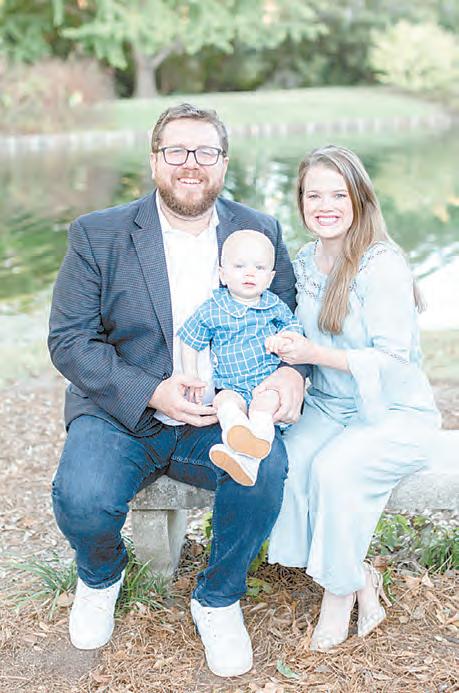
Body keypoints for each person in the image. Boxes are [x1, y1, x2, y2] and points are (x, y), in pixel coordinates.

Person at [48, 103, 306, 678]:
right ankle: (101, 576)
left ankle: (218, 598)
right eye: (177, 151)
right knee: (82, 501)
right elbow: (69, 341)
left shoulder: (258, 231)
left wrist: (293, 373)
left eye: (205, 151)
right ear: (155, 160)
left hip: (225, 412)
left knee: (262, 470)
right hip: (121, 413)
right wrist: (151, 391)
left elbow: (290, 319)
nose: (191, 163)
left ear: (224, 162)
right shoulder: (97, 234)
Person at [266, 145, 440, 652]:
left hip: (391, 411)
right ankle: (359, 574)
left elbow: (394, 361)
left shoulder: (382, 265)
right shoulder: (305, 259)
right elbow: (297, 331)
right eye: (313, 195)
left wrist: (314, 353)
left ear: (359, 198)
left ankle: (339, 594)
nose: (325, 206)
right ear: (300, 202)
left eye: (338, 195)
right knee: (286, 463)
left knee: (334, 471)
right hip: (329, 405)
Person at [178, 229, 303, 486]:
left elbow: (294, 328)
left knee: (264, 407)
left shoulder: (273, 306)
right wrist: (191, 375)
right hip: (231, 387)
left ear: (270, 278)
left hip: (265, 385)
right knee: (223, 402)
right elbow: (189, 338)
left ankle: (245, 453)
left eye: (259, 267)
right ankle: (239, 439)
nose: (249, 273)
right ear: (222, 274)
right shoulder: (214, 308)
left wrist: (284, 339)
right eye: (239, 266)